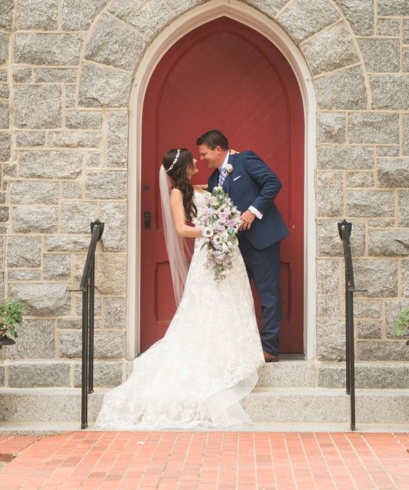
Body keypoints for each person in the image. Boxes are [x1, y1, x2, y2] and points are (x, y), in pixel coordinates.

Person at [94, 148, 263, 429]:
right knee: (205, 304)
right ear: (183, 166)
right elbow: (182, 229)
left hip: (225, 252)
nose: (197, 161)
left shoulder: (196, 187)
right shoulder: (176, 194)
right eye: (192, 159)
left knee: (229, 300)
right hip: (208, 251)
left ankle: (233, 354)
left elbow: (218, 193)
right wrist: (213, 230)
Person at [197, 129, 289, 363]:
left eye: (204, 153)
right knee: (235, 295)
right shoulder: (212, 179)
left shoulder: (245, 159)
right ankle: (238, 345)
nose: (202, 158)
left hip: (263, 240)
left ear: (219, 149)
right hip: (235, 246)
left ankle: (270, 348)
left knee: (268, 295)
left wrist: (252, 212)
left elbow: (272, 183)